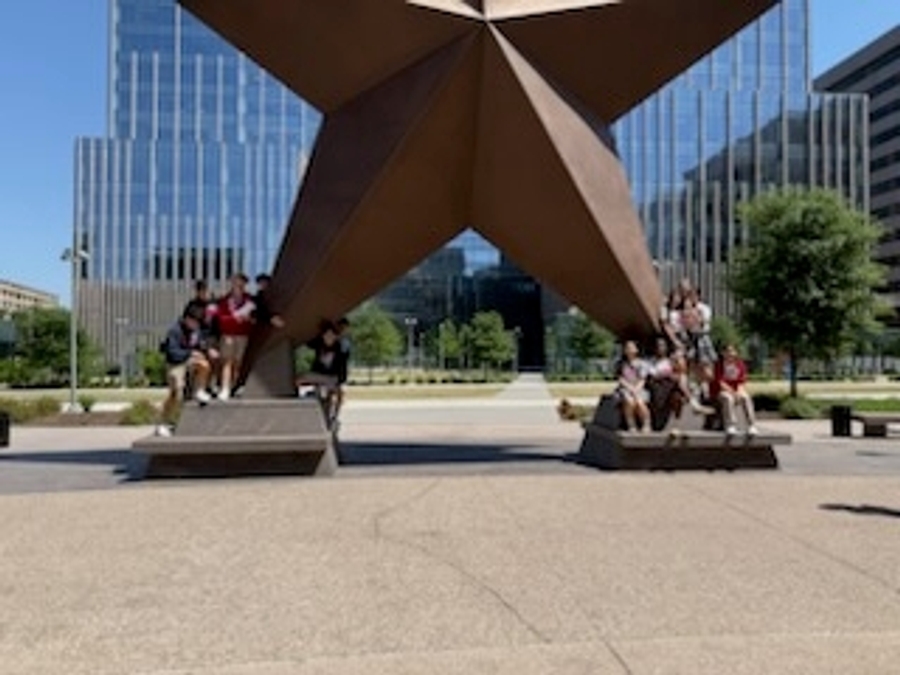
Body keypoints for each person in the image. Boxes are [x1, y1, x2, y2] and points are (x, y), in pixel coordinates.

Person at [156, 306, 214, 437]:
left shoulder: (196, 330)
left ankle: (199, 390)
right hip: (175, 364)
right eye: (194, 323)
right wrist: (190, 353)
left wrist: (207, 350)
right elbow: (173, 353)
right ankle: (163, 422)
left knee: (204, 365)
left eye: (198, 323)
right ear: (187, 319)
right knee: (176, 392)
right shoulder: (174, 331)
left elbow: (200, 344)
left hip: (188, 360)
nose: (196, 326)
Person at [297, 320, 349, 429]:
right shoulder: (318, 343)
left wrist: (340, 381)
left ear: (335, 336)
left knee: (337, 395)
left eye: (331, 336)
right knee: (300, 379)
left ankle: (333, 418)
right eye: (326, 336)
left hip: (332, 378)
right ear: (322, 336)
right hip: (319, 376)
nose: (328, 339)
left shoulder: (339, 347)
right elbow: (306, 341)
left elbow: (342, 366)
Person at [213, 273, 255, 400]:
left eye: (241, 283)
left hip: (243, 335)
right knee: (227, 361)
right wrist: (234, 318)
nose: (238, 285)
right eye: (235, 282)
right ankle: (224, 388)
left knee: (238, 363)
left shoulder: (249, 300)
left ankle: (233, 386)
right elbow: (220, 318)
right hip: (228, 334)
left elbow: (254, 319)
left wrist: (248, 319)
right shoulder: (224, 300)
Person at [712, 344, 758, 437]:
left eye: (732, 351)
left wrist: (739, 392)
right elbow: (720, 382)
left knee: (746, 397)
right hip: (721, 391)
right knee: (728, 398)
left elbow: (741, 381)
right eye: (728, 351)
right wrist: (733, 393)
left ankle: (751, 425)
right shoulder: (718, 365)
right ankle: (731, 425)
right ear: (723, 353)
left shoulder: (740, 364)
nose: (730, 354)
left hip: (736, 390)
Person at [614, 340, 650, 433]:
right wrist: (630, 388)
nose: (629, 350)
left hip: (639, 388)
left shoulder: (642, 364)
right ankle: (631, 425)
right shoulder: (620, 364)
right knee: (629, 401)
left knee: (639, 402)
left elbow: (643, 379)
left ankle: (646, 424)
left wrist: (636, 389)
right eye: (627, 348)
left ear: (636, 350)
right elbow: (620, 379)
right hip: (625, 389)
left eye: (632, 347)